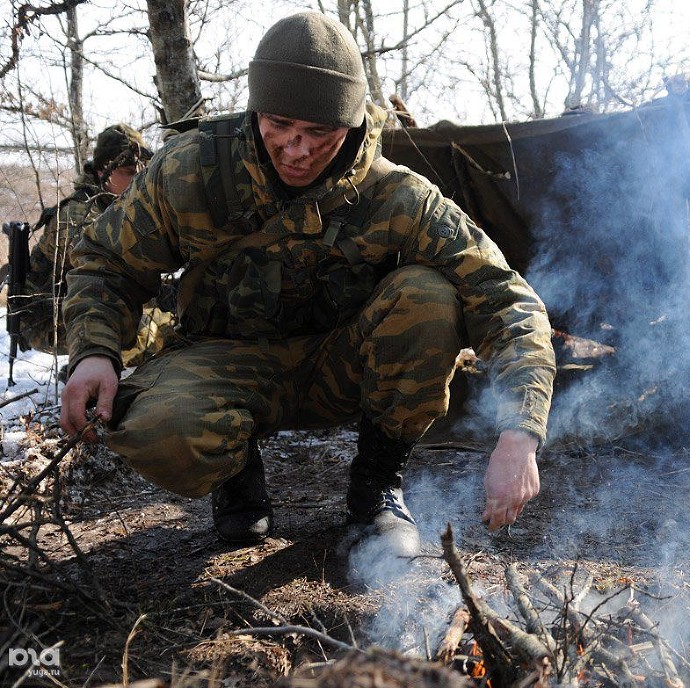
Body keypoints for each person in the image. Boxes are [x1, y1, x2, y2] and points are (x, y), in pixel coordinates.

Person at [60, 12, 556, 557]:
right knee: (156, 427)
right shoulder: (190, 172)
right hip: (225, 363)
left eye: (320, 133)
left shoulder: (397, 196)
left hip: (338, 369)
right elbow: (105, 261)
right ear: (256, 111)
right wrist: (95, 351)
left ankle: (377, 485)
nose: (297, 150)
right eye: (280, 125)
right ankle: (235, 470)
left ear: (352, 123)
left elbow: (505, 299)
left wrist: (520, 430)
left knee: (429, 297)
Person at [20, 124, 174, 369]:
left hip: (84, 304)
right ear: (104, 170)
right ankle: (89, 372)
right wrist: (163, 293)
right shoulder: (77, 214)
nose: (139, 178)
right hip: (47, 318)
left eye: (142, 170)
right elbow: (104, 273)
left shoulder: (117, 204)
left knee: (170, 322)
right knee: (146, 332)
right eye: (129, 171)